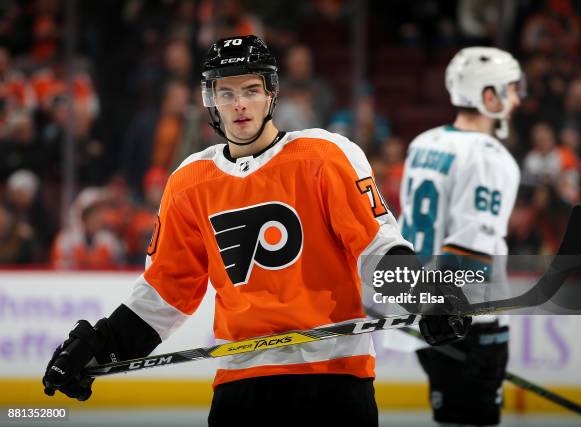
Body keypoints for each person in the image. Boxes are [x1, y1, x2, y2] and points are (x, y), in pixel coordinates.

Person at [42, 35, 470, 426]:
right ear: (211, 100)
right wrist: (101, 345)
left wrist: (423, 293)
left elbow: (375, 245)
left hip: (333, 378)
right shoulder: (189, 182)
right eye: (226, 93)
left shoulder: (325, 156)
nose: (239, 104)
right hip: (243, 383)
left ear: (271, 94)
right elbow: (166, 291)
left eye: (250, 90)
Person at [390, 47, 522, 426]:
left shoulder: (424, 143)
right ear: (488, 96)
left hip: (429, 315)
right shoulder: (489, 157)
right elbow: (469, 249)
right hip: (466, 320)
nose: (516, 99)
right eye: (510, 89)